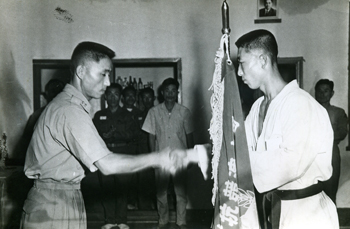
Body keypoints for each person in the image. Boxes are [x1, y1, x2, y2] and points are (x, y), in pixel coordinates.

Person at [21, 41, 193, 229]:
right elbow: (108, 165)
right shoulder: (69, 110)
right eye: (103, 74)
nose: (108, 82)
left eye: (109, 75)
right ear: (81, 72)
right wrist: (158, 158)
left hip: (63, 197)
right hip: (54, 205)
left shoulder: (70, 106)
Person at [236, 30, 339, 228]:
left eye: (242, 64)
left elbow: (289, 165)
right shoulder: (258, 106)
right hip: (274, 210)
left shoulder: (301, 104)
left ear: (263, 60)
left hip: (307, 215)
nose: (239, 72)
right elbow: (240, 149)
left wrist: (233, 162)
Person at [142, 78, 194, 229]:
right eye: (167, 91)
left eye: (173, 91)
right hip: (162, 158)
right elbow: (151, 136)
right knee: (161, 192)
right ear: (162, 93)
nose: (170, 94)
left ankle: (181, 221)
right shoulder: (154, 112)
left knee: (181, 192)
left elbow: (190, 135)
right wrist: (153, 158)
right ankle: (163, 221)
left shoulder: (184, 112)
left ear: (177, 93)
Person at [93, 83, 140, 227]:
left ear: (120, 97)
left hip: (122, 154)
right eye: (110, 94)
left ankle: (122, 221)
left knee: (122, 189)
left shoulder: (128, 115)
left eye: (116, 94)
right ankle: (109, 221)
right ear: (105, 96)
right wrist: (104, 136)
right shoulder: (99, 115)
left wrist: (114, 135)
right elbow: (92, 135)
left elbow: (133, 134)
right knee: (107, 189)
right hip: (105, 155)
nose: (113, 98)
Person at [315, 79, 348, 204]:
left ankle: (331, 222)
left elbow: (342, 132)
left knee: (330, 191)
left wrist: (322, 136)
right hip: (312, 154)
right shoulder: (308, 110)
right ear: (315, 92)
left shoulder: (339, 112)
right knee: (312, 193)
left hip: (331, 154)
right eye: (319, 91)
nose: (322, 94)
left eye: (326, 91)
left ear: (332, 93)